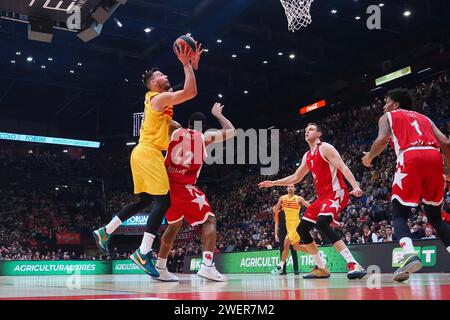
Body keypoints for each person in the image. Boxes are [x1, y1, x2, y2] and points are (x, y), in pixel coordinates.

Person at [92, 42, 203, 277]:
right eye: (161, 74)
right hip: (148, 153)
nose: (165, 76)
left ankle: (106, 231)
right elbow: (190, 93)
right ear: (154, 83)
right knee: (163, 202)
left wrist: (191, 67)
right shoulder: (157, 99)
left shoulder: (158, 100)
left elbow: (182, 95)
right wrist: (186, 64)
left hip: (142, 153)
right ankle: (142, 253)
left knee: (144, 201)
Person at [362, 88, 450, 282]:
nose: (384, 106)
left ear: (395, 104)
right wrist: (449, 171)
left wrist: (369, 157)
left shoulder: (388, 116)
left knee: (399, 213)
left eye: (386, 101)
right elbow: (445, 142)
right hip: (434, 157)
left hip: (411, 156)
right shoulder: (426, 118)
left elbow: (382, 140)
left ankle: (409, 254)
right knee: (435, 217)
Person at [259, 123, 367, 279]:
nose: (306, 132)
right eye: (305, 130)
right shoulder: (307, 156)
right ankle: (321, 268)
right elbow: (296, 177)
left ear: (319, 134)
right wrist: (274, 183)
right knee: (302, 229)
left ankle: (353, 264)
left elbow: (343, 167)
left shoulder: (325, 148)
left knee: (322, 222)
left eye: (310, 129)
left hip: (336, 192)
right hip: (322, 198)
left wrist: (355, 186)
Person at [153, 102, 235, 282]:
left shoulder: (175, 130)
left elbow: (158, 119)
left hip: (166, 188)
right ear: (204, 127)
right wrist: (218, 114)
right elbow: (231, 130)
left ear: (187, 123)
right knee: (209, 219)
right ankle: (207, 266)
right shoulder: (205, 138)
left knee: (173, 226)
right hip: (184, 188)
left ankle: (160, 266)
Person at [271, 185, 310, 275]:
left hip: (296, 225)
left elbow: (309, 206)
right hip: (289, 227)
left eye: (292, 186)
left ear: (295, 189)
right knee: (296, 247)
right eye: (288, 186)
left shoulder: (299, 199)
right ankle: (314, 252)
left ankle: (280, 266)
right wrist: (277, 206)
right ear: (286, 189)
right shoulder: (282, 198)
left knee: (286, 243)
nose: (290, 188)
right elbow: (275, 209)